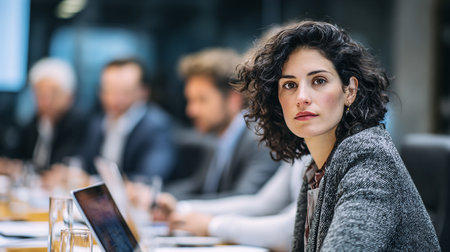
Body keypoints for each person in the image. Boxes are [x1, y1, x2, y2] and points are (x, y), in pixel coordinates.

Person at [236, 20, 440, 251]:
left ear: (350, 91)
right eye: (290, 85)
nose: (301, 97)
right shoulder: (316, 168)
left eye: (319, 81)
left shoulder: (368, 156)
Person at [163, 48, 279, 199]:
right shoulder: (219, 138)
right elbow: (199, 187)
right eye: (190, 100)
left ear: (233, 99)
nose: (191, 111)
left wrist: (181, 208)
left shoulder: (260, 140)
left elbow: (243, 199)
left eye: (202, 100)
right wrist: (156, 197)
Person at [155, 155, 310, 251]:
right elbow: (261, 204)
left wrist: (212, 225)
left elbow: (291, 231)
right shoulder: (299, 150)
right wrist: (184, 210)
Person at [80, 58, 176, 181]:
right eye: (108, 90)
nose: (114, 98)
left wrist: (92, 180)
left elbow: (150, 177)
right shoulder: (97, 123)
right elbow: (84, 165)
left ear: (143, 92)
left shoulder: (156, 126)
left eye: (124, 91)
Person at [7, 58, 86, 172]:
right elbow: (18, 159)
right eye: (40, 94)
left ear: (69, 96)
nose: (46, 101)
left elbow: (66, 166)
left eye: (53, 94)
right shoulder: (32, 123)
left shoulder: (80, 126)